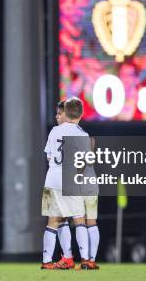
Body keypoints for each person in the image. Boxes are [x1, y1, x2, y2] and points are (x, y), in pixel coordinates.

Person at [40, 97, 93, 270]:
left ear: (66, 112)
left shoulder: (54, 131)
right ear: (81, 113)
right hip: (70, 177)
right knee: (79, 219)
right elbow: (83, 163)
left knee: (54, 221)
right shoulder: (82, 135)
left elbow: (49, 157)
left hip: (52, 177)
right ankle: (85, 260)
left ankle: (49, 260)